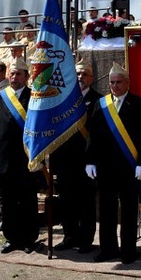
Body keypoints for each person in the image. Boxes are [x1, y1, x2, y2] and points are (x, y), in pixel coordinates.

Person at [85, 62, 141, 264]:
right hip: (106, 168)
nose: (114, 86)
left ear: (127, 83)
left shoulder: (140, 104)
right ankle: (108, 250)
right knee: (106, 211)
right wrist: (90, 160)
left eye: (118, 82)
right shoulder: (102, 104)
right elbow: (93, 135)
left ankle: (128, 252)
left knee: (128, 211)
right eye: (112, 82)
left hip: (129, 167)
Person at [0, 60, 39, 254]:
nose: (14, 78)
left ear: (27, 76)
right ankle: (11, 237)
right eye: (12, 74)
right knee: (8, 199)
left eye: (19, 74)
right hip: (4, 157)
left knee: (28, 200)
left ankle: (29, 238)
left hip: (27, 158)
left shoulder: (36, 97)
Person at [52, 59, 103, 253]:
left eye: (84, 74)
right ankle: (69, 236)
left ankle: (86, 240)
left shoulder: (99, 100)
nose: (80, 77)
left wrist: (95, 160)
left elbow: (99, 133)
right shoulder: (62, 99)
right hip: (65, 160)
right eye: (78, 74)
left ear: (91, 78)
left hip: (87, 160)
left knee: (86, 203)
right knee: (66, 201)